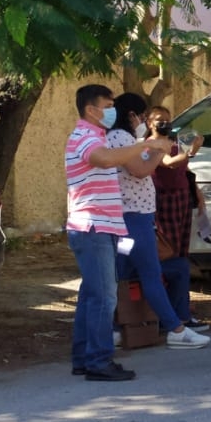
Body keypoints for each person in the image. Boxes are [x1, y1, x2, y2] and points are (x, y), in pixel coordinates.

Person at [67, 85, 174, 382]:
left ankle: (84, 358)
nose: (113, 110)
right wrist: (146, 146)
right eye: (108, 104)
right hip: (93, 226)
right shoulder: (87, 137)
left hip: (99, 226)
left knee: (92, 295)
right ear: (92, 109)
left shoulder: (96, 135)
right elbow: (103, 159)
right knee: (104, 297)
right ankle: (99, 361)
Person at [106, 93, 210, 351]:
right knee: (148, 272)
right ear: (133, 116)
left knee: (121, 270)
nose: (143, 120)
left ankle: (114, 327)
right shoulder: (122, 138)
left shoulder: (122, 138)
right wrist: (158, 150)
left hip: (131, 218)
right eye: (142, 116)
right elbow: (140, 171)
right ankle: (176, 328)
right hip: (134, 219)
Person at [147, 105, 209, 332]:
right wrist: (190, 152)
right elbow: (168, 163)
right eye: (158, 120)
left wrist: (198, 196)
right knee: (169, 255)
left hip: (182, 201)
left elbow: (183, 170)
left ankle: (181, 312)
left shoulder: (174, 143)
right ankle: (172, 315)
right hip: (164, 202)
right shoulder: (151, 144)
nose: (163, 123)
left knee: (182, 256)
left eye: (166, 119)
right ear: (148, 123)